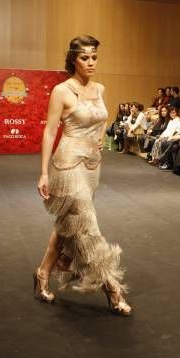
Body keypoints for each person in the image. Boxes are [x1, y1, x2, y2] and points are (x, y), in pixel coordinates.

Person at [35, 35, 130, 315]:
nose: (91, 62)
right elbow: (50, 131)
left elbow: (102, 118)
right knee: (87, 226)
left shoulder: (100, 88)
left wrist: (99, 138)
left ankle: (42, 273)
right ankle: (113, 290)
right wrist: (43, 173)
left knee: (69, 224)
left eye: (94, 57)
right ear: (73, 60)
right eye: (84, 57)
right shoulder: (62, 91)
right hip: (67, 165)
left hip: (91, 166)